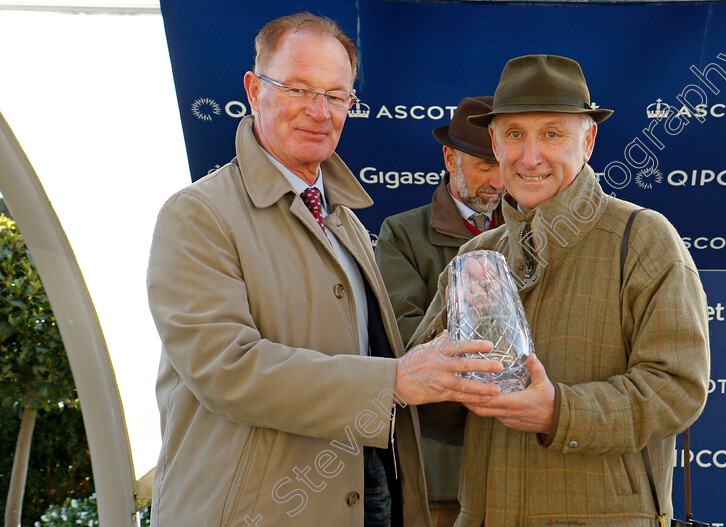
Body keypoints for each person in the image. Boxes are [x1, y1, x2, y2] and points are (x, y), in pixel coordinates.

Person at [146, 13, 502, 527]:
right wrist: (397, 380)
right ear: (253, 90)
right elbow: (227, 369)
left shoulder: (348, 223)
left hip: (362, 496)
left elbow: (373, 355)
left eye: (337, 96)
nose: (319, 112)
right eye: (298, 88)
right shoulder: (198, 214)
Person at [408, 55, 711, 526]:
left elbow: (679, 388)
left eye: (552, 134)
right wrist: (443, 373)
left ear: (587, 141)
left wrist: (559, 413)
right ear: (494, 142)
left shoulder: (642, 238)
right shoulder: (475, 257)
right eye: (514, 135)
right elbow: (429, 410)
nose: (530, 158)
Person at [375, 96, 503, 526]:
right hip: (444, 477)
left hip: (528, 468)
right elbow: (406, 345)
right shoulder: (402, 234)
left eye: (505, 163)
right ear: (449, 157)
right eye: (485, 165)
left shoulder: (537, 231)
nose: (499, 181)